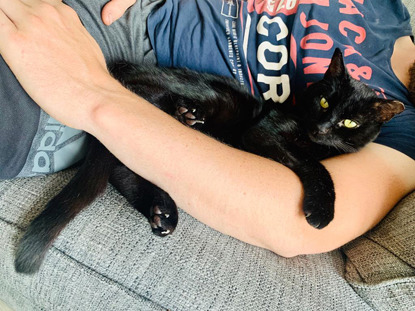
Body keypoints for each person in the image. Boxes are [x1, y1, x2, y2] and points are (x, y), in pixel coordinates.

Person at [0, 0, 414, 257]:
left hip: (145, 65)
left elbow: (290, 219)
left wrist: (92, 93)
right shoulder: (389, 9)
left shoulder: (403, 135)